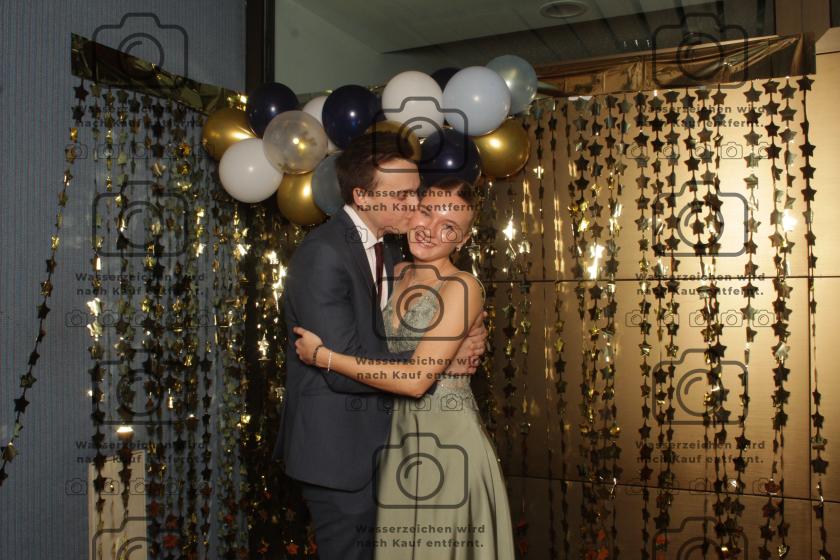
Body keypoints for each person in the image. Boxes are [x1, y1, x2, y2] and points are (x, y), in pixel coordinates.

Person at [272, 132, 488, 560]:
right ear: (363, 197)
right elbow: (343, 371)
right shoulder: (323, 255)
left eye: (415, 192)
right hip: (340, 453)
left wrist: (463, 334)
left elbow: (409, 320)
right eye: (402, 195)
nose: (414, 205)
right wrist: (436, 361)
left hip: (394, 446)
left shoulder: (391, 255)